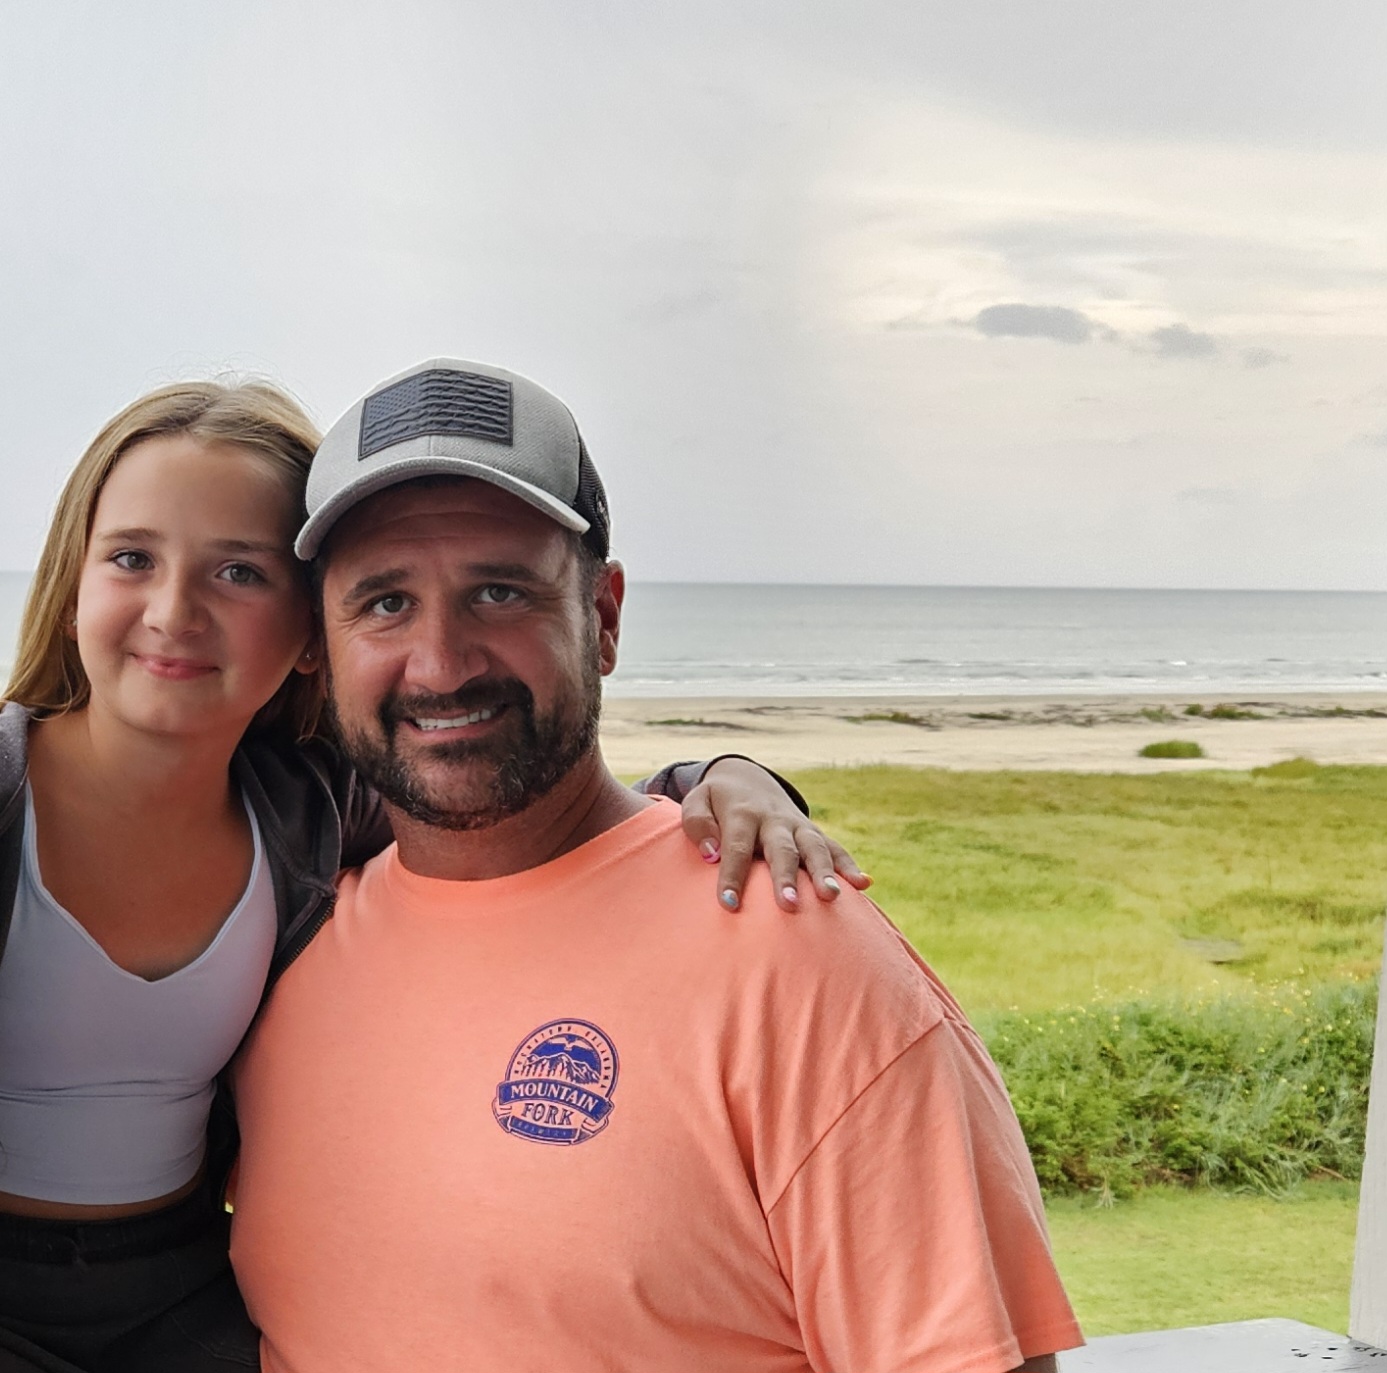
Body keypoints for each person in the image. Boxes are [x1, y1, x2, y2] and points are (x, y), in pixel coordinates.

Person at [230, 358, 1084, 1372]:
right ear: (319, 645)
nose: (441, 661)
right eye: (383, 602)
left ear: (603, 617)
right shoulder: (280, 950)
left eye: (499, 591)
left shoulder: (799, 959)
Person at [0, 380, 864, 1373]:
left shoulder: (309, 809)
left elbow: (529, 804)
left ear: (311, 636)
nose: (173, 611)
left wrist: (727, 775)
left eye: (239, 571)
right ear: (72, 585)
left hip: (180, 1287)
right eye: (131, 558)